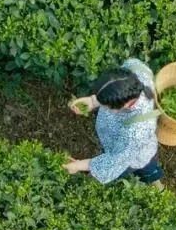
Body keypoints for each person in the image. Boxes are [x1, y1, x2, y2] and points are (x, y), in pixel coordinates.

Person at [63, 57, 164, 188]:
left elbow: (114, 161)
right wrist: (92, 101)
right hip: (127, 143)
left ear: (127, 105)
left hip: (133, 155)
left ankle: (156, 184)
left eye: (107, 106)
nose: (104, 108)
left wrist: (78, 166)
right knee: (147, 163)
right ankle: (154, 180)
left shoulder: (135, 132)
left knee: (143, 164)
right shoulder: (135, 71)